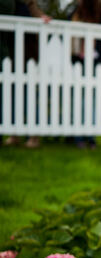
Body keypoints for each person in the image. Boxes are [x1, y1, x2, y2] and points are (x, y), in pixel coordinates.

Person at [1, 0, 50, 148]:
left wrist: (40, 16)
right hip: (10, 52)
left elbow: (31, 5)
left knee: (28, 94)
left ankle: (33, 135)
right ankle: (14, 133)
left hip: (26, 51)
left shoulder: (23, 5)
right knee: (10, 95)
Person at [68, 0, 101, 149]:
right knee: (78, 100)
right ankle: (78, 136)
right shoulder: (75, 14)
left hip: (95, 64)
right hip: (76, 63)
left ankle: (90, 136)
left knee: (92, 101)